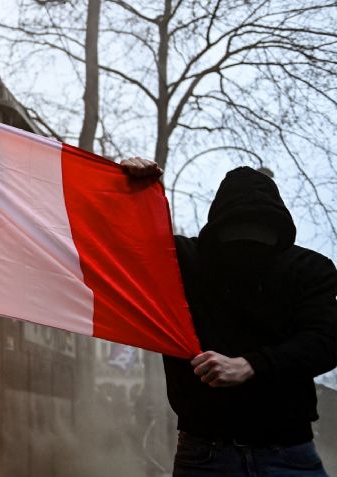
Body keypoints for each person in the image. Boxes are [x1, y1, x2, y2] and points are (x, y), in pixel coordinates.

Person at [122, 157, 337, 476]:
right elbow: (121, 248)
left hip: (272, 452)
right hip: (224, 452)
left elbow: (327, 341)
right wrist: (132, 189)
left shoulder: (309, 270)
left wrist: (251, 365)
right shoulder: (180, 261)